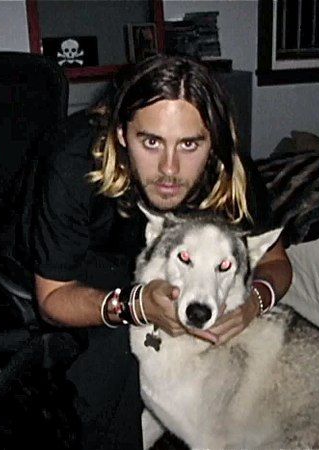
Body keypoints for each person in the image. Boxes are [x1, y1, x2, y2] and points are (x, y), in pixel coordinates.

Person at [32, 54, 292, 449]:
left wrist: (252, 305)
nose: (170, 169)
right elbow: (53, 297)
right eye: (151, 141)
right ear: (121, 133)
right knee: (113, 360)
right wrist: (136, 307)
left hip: (148, 255)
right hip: (72, 255)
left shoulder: (229, 171)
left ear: (213, 141)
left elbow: (276, 262)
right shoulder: (74, 162)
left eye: (190, 144)